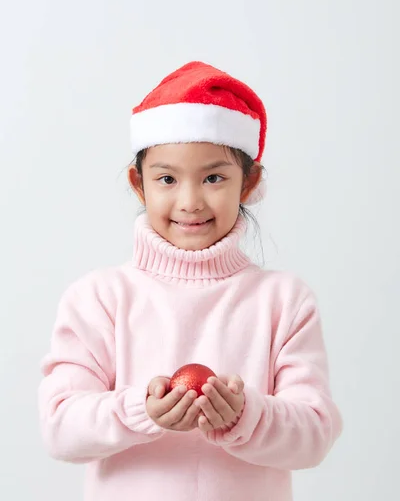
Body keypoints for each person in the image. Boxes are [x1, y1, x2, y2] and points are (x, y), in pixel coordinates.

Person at [38, 61, 342, 501]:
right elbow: (59, 427)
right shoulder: (98, 298)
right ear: (138, 184)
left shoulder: (284, 301)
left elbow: (315, 434)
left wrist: (248, 416)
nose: (190, 201)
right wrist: (140, 410)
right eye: (166, 178)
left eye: (214, 177)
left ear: (249, 182)